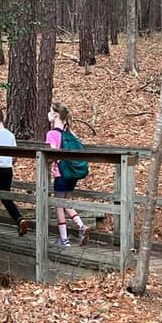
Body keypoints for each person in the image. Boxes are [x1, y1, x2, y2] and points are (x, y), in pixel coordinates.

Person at [45, 102, 89, 246]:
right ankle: (81, 226)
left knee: (59, 205)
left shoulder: (52, 134)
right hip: (72, 174)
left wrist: (46, 162)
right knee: (67, 203)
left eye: (51, 111)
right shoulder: (70, 133)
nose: (49, 114)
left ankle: (64, 239)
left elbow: (52, 154)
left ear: (56, 115)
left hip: (60, 173)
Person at [0, 108, 29, 235]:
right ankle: (19, 219)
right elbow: (14, 157)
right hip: (7, 170)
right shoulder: (10, 135)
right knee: (5, 197)